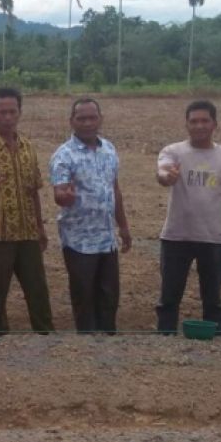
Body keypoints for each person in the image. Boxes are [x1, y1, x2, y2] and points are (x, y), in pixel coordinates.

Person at [154, 100, 221, 336]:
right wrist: (168, 176)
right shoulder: (174, 152)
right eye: (194, 121)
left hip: (214, 238)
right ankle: (164, 339)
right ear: (186, 124)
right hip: (175, 237)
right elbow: (162, 172)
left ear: (215, 124)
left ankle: (215, 341)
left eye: (204, 120)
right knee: (169, 297)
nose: (199, 126)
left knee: (213, 298)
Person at [0, 87, 54, 335]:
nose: (7, 117)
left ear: (19, 113)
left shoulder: (28, 147)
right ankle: (1, 335)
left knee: (37, 288)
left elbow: (34, 191)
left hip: (28, 232)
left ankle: (45, 335)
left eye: (12, 111)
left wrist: (40, 228)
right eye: (2, 112)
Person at [50, 98, 132, 334]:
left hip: (107, 240)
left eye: (92, 117)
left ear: (100, 119)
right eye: (81, 118)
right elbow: (59, 193)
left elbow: (114, 189)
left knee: (109, 296)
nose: (87, 123)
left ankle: (107, 343)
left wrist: (123, 227)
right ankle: (86, 347)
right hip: (79, 241)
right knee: (83, 297)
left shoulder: (109, 149)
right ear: (71, 122)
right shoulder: (63, 156)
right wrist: (65, 196)